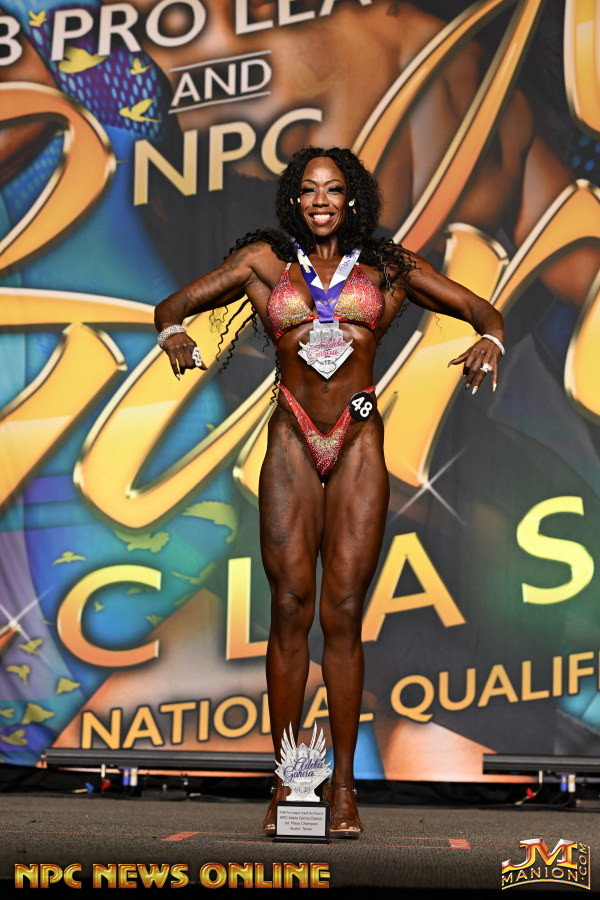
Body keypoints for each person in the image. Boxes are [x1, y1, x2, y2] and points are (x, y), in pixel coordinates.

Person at [154, 145, 505, 836]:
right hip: (291, 436)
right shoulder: (264, 263)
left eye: (334, 189)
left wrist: (490, 339)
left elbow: (479, 309)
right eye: (309, 189)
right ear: (295, 199)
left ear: (351, 200)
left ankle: (343, 790)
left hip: (358, 439)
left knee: (342, 613)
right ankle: (289, 785)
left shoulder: (388, 268)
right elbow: (176, 303)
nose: (321, 200)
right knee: (289, 608)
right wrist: (172, 332)